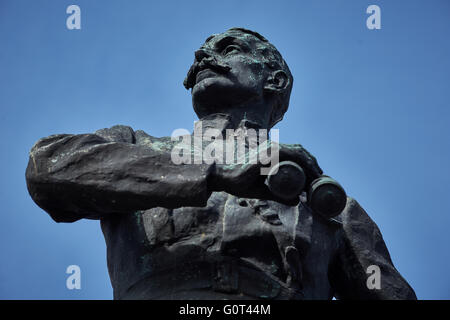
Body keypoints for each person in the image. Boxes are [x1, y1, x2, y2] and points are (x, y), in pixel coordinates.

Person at [26, 27, 416, 300]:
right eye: (201, 51)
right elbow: (47, 169)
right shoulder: (137, 146)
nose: (201, 57)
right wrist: (217, 175)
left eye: (229, 49)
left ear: (274, 82)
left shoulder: (327, 204)